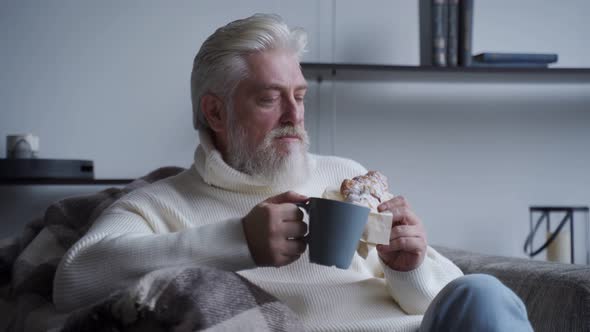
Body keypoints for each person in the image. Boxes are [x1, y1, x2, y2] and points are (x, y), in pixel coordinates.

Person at [54, 13, 533, 331]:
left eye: (299, 96)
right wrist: (237, 241)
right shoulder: (165, 202)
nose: (294, 116)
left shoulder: (345, 174)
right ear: (215, 113)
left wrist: (407, 268)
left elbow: (450, 301)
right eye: (269, 98)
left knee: (484, 294)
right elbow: (73, 280)